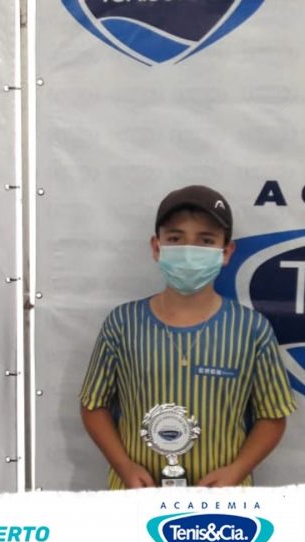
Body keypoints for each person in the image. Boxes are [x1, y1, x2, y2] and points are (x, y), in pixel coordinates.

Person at [80, 185, 295, 489]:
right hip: (136, 496)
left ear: (226, 252)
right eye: (175, 239)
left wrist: (236, 471)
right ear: (157, 247)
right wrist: (124, 467)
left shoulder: (252, 329)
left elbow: (272, 416)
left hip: (222, 500)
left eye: (205, 240)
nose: (189, 251)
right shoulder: (122, 324)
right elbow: (93, 405)